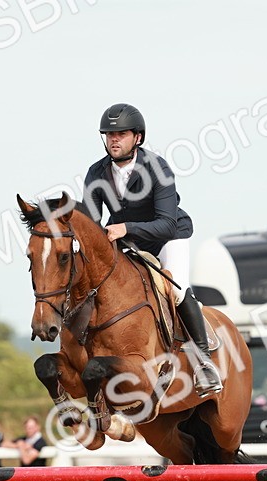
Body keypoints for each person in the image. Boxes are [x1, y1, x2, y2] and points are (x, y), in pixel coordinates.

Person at [80, 102, 223, 398]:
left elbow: (167, 224)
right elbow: (92, 224)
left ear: (138, 138)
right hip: (125, 241)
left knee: (175, 288)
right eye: (109, 134)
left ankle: (203, 362)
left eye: (120, 134)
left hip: (168, 236)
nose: (113, 139)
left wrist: (126, 228)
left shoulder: (158, 169)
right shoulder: (97, 172)